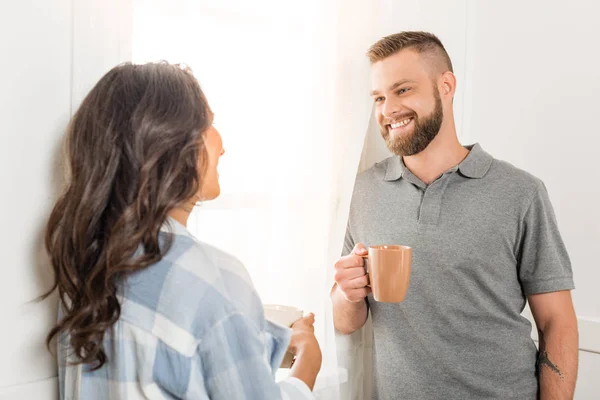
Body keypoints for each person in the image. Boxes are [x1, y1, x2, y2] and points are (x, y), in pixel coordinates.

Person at [43, 62, 321, 399]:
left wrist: (259, 339)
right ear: (170, 144)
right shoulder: (214, 277)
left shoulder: (86, 265)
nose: (222, 145)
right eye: (209, 124)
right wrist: (306, 370)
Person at [331, 31, 578, 399]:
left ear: (445, 85)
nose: (388, 109)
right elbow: (346, 322)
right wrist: (347, 294)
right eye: (379, 97)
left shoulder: (520, 192)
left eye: (402, 90)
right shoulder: (364, 191)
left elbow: (556, 321)